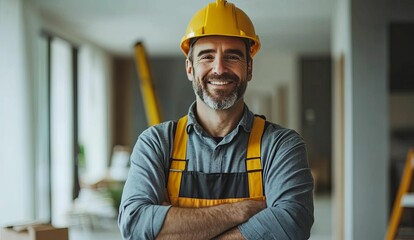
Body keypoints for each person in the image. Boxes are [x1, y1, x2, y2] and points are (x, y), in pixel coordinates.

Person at [118, 0, 314, 239]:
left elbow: (291, 225)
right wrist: (241, 211)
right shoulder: (156, 143)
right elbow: (135, 225)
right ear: (189, 68)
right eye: (207, 57)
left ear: (249, 69)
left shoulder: (281, 145)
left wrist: (176, 227)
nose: (219, 68)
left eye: (232, 57)